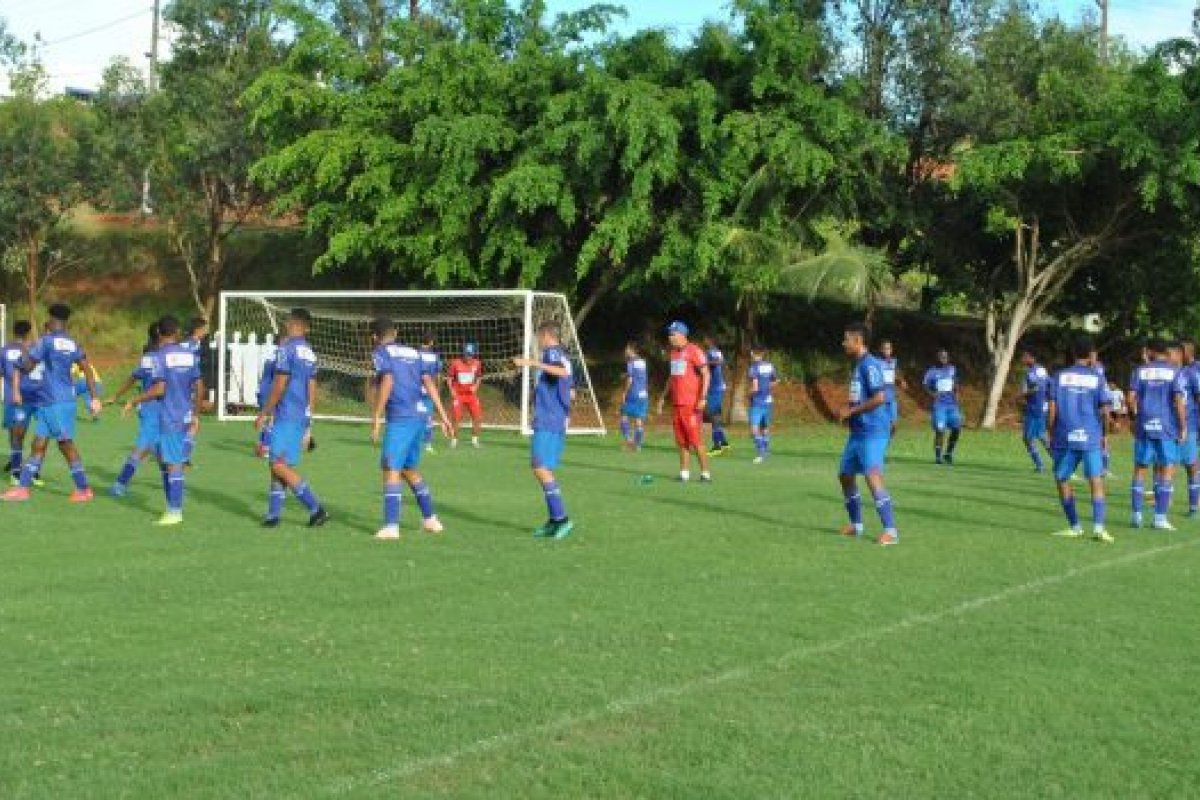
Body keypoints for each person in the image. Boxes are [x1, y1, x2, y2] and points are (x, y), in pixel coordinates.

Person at [3, 304, 101, 503]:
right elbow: (87, 369)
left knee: (65, 444)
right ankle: (22, 488)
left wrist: (18, 365)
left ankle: (83, 489)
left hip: (55, 403)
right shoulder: (72, 343)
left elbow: (28, 365)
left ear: (52, 320)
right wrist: (94, 397)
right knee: (38, 444)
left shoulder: (46, 341)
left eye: (48, 318)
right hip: (55, 402)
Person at [369, 319, 454, 540]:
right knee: (408, 468)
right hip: (420, 417)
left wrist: (376, 417)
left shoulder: (380, 352)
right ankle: (431, 520)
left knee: (390, 467)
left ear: (374, 337)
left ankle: (391, 526)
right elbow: (429, 382)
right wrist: (443, 416)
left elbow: (388, 380)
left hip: (401, 418)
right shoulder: (414, 352)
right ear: (395, 333)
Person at [122, 316, 204, 525]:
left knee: (173, 463)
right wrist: (195, 414)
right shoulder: (189, 355)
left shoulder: (160, 356)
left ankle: (175, 511)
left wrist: (134, 400)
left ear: (159, 333)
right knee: (164, 460)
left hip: (169, 415)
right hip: (183, 413)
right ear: (177, 332)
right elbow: (199, 386)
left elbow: (159, 389)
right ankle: (171, 505)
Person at [255, 308, 329, 528]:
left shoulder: (286, 349)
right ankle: (273, 515)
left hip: (285, 414)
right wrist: (309, 417)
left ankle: (316, 508)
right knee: (279, 465)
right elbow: (312, 386)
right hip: (299, 414)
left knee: (278, 465)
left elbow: (279, 384)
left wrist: (265, 412)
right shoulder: (309, 352)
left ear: (291, 324)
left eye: (287, 322)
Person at [838, 322, 900, 546]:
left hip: (873, 431)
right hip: (858, 432)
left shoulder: (870, 365)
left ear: (858, 341)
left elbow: (880, 397)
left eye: (846, 339)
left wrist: (852, 411)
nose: (843, 343)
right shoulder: (858, 365)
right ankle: (856, 525)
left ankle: (891, 531)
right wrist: (849, 413)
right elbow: (860, 397)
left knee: (872, 476)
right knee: (845, 475)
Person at [513, 322, 575, 539]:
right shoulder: (563, 355)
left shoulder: (552, 353)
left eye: (539, 336)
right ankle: (554, 521)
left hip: (549, 420)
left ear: (547, 335)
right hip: (554, 418)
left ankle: (562, 518)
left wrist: (530, 362)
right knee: (542, 467)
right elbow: (571, 390)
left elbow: (561, 372)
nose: (538, 340)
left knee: (540, 467)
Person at [1047, 337, 1112, 542]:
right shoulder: (1097, 377)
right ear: (1090, 355)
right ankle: (1099, 528)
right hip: (1091, 435)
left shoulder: (1059, 376)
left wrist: (1050, 431)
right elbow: (1105, 410)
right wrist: (1105, 434)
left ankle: (1075, 526)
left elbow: (1052, 408)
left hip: (1065, 434)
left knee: (1062, 478)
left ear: (1073, 353)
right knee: (1096, 479)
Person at [1127, 338, 1186, 530]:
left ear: (1151, 351)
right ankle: (1160, 518)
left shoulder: (1140, 371)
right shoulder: (1175, 371)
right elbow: (1178, 400)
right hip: (1167, 425)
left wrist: (1134, 418)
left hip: (1144, 424)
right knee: (1167, 468)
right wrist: (1183, 426)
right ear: (1165, 352)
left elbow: (1130, 398)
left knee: (1140, 468)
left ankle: (1136, 515)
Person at [107, 322, 162, 497]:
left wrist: (116, 396)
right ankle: (119, 484)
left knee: (160, 448)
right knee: (143, 447)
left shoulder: (155, 357)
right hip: (152, 409)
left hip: (162, 409)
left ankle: (174, 481)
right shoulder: (157, 358)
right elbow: (134, 378)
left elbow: (133, 378)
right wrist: (117, 396)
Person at [657, 321, 712, 482]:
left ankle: (705, 473)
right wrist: (662, 397)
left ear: (682, 334)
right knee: (681, 441)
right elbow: (672, 377)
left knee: (695, 439)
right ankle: (684, 473)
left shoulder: (694, 350)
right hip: (677, 404)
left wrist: (703, 397)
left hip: (691, 404)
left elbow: (706, 374)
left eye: (673, 334)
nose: (670, 337)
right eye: (669, 334)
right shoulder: (673, 353)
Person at [3, 320, 36, 483]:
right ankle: (20, 466)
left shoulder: (4, 350)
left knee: (14, 431)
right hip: (28, 395)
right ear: (28, 333)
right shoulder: (32, 349)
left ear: (13, 332)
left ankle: (15, 460)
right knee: (23, 433)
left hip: (10, 396)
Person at [923, 348, 963, 464]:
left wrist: (957, 394)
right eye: (941, 357)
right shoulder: (931, 371)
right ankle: (938, 457)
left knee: (957, 429)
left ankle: (948, 453)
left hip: (952, 405)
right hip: (939, 406)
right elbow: (925, 385)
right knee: (940, 430)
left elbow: (955, 383)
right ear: (937, 358)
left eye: (945, 357)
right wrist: (932, 394)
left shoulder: (952, 369)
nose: (943, 359)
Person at [180, 317, 209, 464]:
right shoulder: (193, 346)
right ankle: (183, 456)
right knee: (193, 424)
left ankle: (182, 454)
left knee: (189, 423)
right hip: (188, 388)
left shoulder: (183, 344)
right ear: (197, 330)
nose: (206, 332)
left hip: (180, 388)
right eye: (204, 329)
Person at [1019, 348, 1052, 472]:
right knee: (1039, 437)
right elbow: (1049, 385)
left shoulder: (1030, 373)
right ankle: (1043, 465)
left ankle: (1043, 465)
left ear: (1032, 358)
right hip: (1041, 408)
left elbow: (1033, 389)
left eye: (1025, 356)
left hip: (1034, 409)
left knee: (1031, 438)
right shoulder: (1042, 370)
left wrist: (1022, 394)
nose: (1023, 359)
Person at [447, 342, 484, 448]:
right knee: (456, 418)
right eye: (467, 354)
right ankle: (454, 440)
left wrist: (476, 386)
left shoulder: (477, 363)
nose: (468, 357)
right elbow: (449, 378)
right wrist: (451, 390)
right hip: (458, 395)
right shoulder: (455, 363)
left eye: (470, 355)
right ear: (463, 354)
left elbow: (479, 377)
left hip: (471, 395)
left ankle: (475, 440)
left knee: (477, 417)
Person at [747, 344, 778, 464]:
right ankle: (766, 451)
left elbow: (755, 388)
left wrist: (749, 394)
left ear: (752, 353)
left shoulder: (753, 368)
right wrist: (766, 387)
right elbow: (776, 380)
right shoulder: (770, 366)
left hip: (757, 401)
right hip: (768, 400)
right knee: (764, 426)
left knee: (754, 429)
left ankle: (761, 454)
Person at [1179, 339, 1200, 515]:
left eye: (1180, 351)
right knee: (1163, 463)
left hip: (1191, 424)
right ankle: (1161, 503)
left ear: (1187, 352)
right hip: (1172, 424)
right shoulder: (1177, 370)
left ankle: (1194, 505)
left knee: (1191, 464)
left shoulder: (1194, 371)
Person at [619, 342, 649, 452]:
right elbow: (638, 375)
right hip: (643, 394)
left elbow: (631, 379)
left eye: (627, 349)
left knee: (624, 416)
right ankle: (638, 446)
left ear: (632, 350)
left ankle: (629, 441)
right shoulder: (642, 362)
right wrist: (626, 375)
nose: (625, 351)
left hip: (633, 393)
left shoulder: (630, 362)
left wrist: (624, 392)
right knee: (638, 419)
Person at [703, 335, 730, 456]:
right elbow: (721, 364)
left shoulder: (711, 352)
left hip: (714, 388)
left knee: (713, 416)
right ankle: (723, 442)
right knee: (716, 415)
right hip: (718, 387)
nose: (704, 341)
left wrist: (703, 363)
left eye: (705, 339)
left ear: (710, 340)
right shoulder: (718, 351)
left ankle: (717, 446)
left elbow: (718, 363)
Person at [878, 339, 907, 437]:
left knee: (894, 424)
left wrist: (901, 381)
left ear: (891, 350)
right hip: (880, 397)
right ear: (881, 350)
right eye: (885, 348)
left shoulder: (894, 362)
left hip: (891, 397)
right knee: (882, 423)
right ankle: (882, 440)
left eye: (889, 348)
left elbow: (897, 374)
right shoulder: (877, 362)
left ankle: (887, 438)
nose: (887, 350)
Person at [419, 332, 442, 453]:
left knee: (412, 415)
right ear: (432, 342)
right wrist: (437, 389)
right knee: (428, 417)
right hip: (429, 389)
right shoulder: (435, 356)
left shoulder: (415, 354)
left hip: (414, 389)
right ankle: (428, 444)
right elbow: (438, 375)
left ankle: (412, 442)